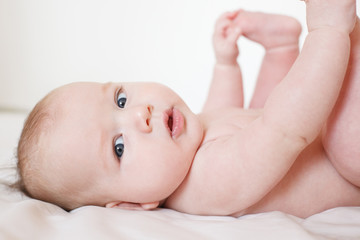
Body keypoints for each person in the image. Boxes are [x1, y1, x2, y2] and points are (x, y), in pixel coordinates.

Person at [15, 0, 360, 218]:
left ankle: (281, 47)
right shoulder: (205, 185)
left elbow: (221, 110)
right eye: (119, 147)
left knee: (263, 109)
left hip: (317, 132)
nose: (139, 115)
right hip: (345, 165)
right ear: (132, 205)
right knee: (326, 128)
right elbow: (285, 129)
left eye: (120, 99)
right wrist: (327, 31)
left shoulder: (190, 141)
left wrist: (226, 64)